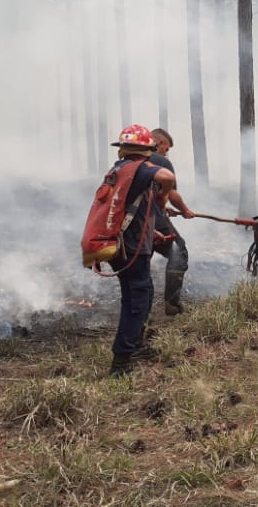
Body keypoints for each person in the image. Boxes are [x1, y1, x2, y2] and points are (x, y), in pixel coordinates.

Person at [107, 125, 175, 377]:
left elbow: (130, 210)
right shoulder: (139, 168)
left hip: (126, 242)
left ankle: (135, 344)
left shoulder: (118, 169)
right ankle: (122, 361)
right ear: (146, 149)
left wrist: (151, 232)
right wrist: (163, 198)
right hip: (132, 247)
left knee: (140, 296)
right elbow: (167, 178)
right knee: (137, 300)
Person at [149, 128, 195, 315]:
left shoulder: (129, 162)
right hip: (151, 219)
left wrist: (162, 206)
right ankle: (172, 304)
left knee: (143, 257)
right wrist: (185, 210)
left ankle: (141, 311)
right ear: (159, 144)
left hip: (130, 222)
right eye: (166, 148)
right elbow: (172, 193)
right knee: (179, 251)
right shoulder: (160, 161)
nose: (166, 153)